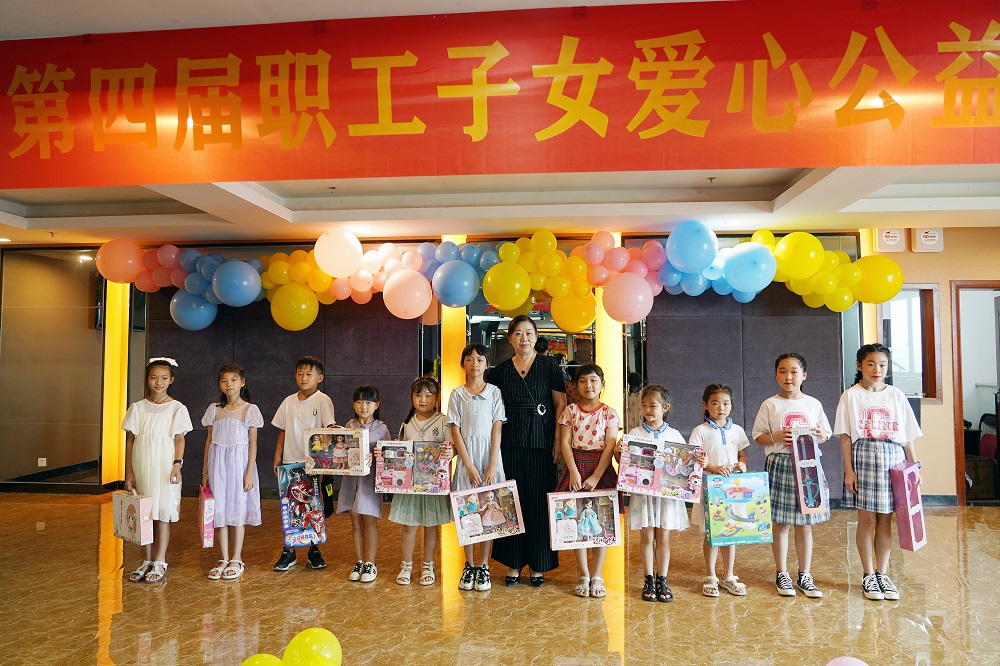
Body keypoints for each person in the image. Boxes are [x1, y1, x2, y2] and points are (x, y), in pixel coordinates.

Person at [835, 343, 922, 601]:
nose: (877, 369)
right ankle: (868, 575)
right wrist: (849, 471)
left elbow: (907, 437)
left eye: (882, 365)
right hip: (864, 457)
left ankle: (883, 575)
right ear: (859, 366)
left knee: (886, 520)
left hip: (893, 459)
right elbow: (845, 437)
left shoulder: (896, 395)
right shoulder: (850, 396)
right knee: (867, 520)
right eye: (871, 364)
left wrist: (914, 468)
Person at [486, 315, 567, 586]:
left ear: (536, 337)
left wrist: (557, 441)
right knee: (511, 501)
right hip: (509, 443)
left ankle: (538, 564)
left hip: (541, 441)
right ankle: (513, 562)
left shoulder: (549, 366)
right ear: (510, 338)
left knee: (538, 503)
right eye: (518, 333)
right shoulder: (499, 371)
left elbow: (560, 404)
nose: (524, 338)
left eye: (529, 333)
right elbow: (494, 412)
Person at [751, 353, 832, 599]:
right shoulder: (770, 404)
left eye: (794, 371)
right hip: (780, 463)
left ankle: (805, 574)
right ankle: (782, 573)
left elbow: (825, 434)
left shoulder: (813, 404)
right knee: (781, 523)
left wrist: (820, 435)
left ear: (804, 375)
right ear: (776, 374)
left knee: (805, 524)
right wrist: (775, 436)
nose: (788, 376)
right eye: (782, 371)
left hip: (808, 465)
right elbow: (758, 436)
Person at [122, 357, 193, 584]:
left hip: (164, 467)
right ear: (147, 380)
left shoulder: (177, 408)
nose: (158, 382)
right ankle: (147, 559)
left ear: (171, 380)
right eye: (154, 378)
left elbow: (180, 439)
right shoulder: (137, 408)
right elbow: (130, 441)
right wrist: (129, 472)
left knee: (163, 512)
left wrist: (177, 464)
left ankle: (160, 560)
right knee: (144, 513)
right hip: (142, 466)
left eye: (163, 378)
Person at [555, 363, 621, 599]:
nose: (588, 385)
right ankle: (583, 574)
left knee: (602, 524)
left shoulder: (610, 413)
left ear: (602, 384)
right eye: (582, 381)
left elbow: (610, 445)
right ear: (575, 385)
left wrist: (596, 476)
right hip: (575, 465)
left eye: (593, 380)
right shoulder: (570, 410)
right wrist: (573, 471)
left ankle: (597, 574)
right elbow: (565, 442)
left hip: (600, 468)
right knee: (576, 521)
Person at [622, 384, 691, 603]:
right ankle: (648, 579)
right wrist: (619, 452)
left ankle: (663, 579)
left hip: (666, 496)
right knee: (646, 536)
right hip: (644, 495)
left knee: (664, 536)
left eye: (653, 405)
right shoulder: (635, 434)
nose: (647, 410)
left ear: (665, 407)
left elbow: (685, 465)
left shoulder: (674, 435)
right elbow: (626, 464)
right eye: (643, 405)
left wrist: (697, 460)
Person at [447, 343, 506, 591]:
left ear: (486, 365)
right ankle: (469, 565)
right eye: (470, 359)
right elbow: (455, 431)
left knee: (488, 514)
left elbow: (497, 429)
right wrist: (469, 466)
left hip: (490, 459)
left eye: (480, 360)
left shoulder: (494, 393)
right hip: (466, 461)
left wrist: (492, 464)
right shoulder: (456, 394)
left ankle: (483, 566)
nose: (475, 364)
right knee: (467, 515)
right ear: (463, 364)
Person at [271, 355, 336, 572]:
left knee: (313, 507)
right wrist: (278, 456)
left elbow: (328, 432)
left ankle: (313, 550)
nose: (304, 378)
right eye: (300, 374)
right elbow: (283, 430)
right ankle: (288, 550)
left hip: (313, 465)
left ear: (320, 377)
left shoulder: (323, 400)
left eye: (309, 374)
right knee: (290, 507)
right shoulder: (288, 401)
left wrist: (324, 466)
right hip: (290, 461)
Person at [201, 364, 263, 581]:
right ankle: (223, 557)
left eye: (234, 380)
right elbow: (209, 440)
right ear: (220, 384)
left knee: (237, 510)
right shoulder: (214, 409)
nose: (229, 384)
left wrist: (249, 472)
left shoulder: (250, 410)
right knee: (220, 511)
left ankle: (237, 558)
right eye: (224, 380)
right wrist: (205, 471)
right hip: (217, 465)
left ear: (242, 383)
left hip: (239, 466)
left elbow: (253, 442)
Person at [389, 376, 452, 586]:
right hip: (410, 485)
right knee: (409, 525)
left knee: (431, 526)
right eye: (418, 395)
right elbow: (399, 451)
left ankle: (428, 565)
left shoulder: (443, 421)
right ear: (411, 397)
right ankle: (406, 565)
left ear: (437, 398)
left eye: (428, 395)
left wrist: (450, 451)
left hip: (434, 485)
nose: (423, 399)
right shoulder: (407, 423)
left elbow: (451, 448)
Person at [689, 383, 750, 598]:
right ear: (705, 405)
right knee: (713, 533)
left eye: (725, 403)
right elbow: (695, 459)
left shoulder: (737, 430)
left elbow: (742, 455)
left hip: (732, 489)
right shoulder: (700, 431)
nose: (721, 408)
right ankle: (711, 576)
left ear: (731, 406)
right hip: (710, 489)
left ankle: (729, 575)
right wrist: (714, 468)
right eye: (715, 403)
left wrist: (742, 464)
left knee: (730, 531)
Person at [338, 384, 390, 583]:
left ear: (376, 405)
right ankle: (359, 561)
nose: (363, 406)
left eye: (368, 402)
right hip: (351, 481)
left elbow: (389, 455)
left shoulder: (382, 428)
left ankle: (371, 562)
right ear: (354, 404)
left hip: (370, 483)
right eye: (359, 402)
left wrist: (376, 456)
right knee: (355, 522)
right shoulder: (349, 426)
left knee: (369, 521)